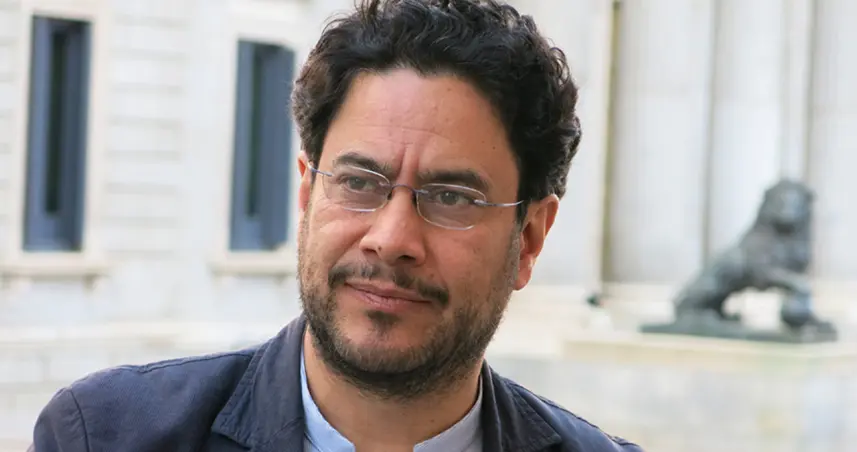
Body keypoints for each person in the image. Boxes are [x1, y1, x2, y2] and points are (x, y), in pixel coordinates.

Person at [31, 1, 644, 451]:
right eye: (359, 182)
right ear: (306, 194)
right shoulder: (103, 437)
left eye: (451, 197)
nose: (392, 239)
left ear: (529, 239)